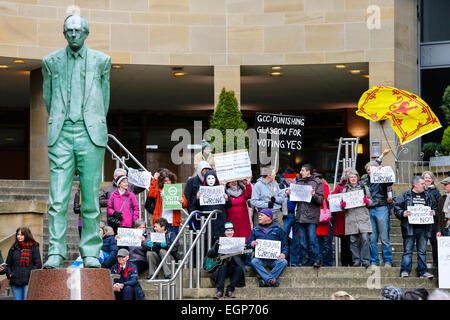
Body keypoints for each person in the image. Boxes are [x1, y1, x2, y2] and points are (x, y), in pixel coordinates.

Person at [42, 14, 111, 269]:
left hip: (89, 133)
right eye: (69, 30)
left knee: (91, 197)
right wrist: (63, 121)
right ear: (64, 33)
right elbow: (48, 98)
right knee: (57, 199)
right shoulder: (50, 62)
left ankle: (91, 252)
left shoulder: (102, 61)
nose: (73, 34)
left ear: (86, 33)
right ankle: (55, 253)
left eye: (78, 30)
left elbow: (104, 98)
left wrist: (90, 122)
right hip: (61, 133)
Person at [394, 175, 436, 279]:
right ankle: (405, 270)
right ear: (415, 185)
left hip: (424, 228)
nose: (424, 185)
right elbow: (396, 208)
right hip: (409, 227)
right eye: (422, 184)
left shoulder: (428, 196)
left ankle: (423, 271)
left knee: (422, 251)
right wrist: (402, 213)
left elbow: (435, 208)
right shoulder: (405, 195)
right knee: (408, 250)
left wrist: (434, 212)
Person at [362, 149, 394, 268]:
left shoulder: (382, 179)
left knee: (384, 238)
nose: (370, 171)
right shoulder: (365, 182)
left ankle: (387, 261)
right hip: (370, 209)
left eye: (371, 169)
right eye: (368, 170)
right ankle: (374, 261)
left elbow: (390, 182)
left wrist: (382, 170)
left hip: (381, 208)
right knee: (372, 238)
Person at [289, 164, 324, 268]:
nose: (301, 172)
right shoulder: (299, 182)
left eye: (303, 170)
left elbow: (320, 200)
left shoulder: (317, 182)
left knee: (313, 239)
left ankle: (317, 259)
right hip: (300, 216)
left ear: (308, 172)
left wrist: (314, 195)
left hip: (312, 216)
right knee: (303, 241)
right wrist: (291, 194)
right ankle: (305, 259)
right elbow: (295, 200)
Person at [247, 209, 288, 287]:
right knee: (254, 261)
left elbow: (285, 245)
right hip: (260, 260)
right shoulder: (255, 230)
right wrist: (251, 244)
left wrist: (284, 254)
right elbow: (248, 244)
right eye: (259, 215)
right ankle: (271, 280)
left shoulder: (278, 230)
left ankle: (266, 281)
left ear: (269, 217)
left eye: (261, 215)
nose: (259, 217)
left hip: (275, 260)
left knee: (283, 262)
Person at [341, 169, 373, 268]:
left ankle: (365, 260)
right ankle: (356, 260)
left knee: (365, 238)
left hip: (363, 216)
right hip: (351, 217)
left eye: (355, 177)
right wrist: (343, 205)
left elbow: (371, 202)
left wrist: (366, 201)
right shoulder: (345, 190)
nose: (353, 179)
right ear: (348, 179)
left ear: (357, 178)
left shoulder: (364, 188)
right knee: (353, 240)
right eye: (351, 177)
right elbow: (342, 207)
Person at [207, 222, 246, 299]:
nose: (230, 232)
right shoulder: (219, 241)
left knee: (239, 269)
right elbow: (209, 254)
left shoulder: (238, 242)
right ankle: (220, 291)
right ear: (224, 232)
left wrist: (243, 251)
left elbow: (243, 259)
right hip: (222, 268)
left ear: (234, 231)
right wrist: (216, 248)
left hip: (233, 267)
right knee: (223, 267)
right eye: (227, 230)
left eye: (231, 230)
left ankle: (230, 290)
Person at [194, 169, 231, 243]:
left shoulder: (221, 189)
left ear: (215, 179)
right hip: (207, 221)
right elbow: (196, 206)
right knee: (208, 241)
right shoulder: (201, 190)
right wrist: (197, 198)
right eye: (209, 178)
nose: (211, 180)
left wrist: (227, 199)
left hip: (220, 220)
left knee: (220, 241)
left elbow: (229, 205)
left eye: (212, 178)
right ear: (206, 180)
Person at [4, 227, 42, 300]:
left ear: (26, 235)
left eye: (21, 235)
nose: (19, 236)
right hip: (15, 281)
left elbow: (38, 264)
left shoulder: (33, 247)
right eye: (18, 234)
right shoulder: (13, 248)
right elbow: (8, 265)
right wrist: (10, 274)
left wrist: (30, 274)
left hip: (28, 281)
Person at [148, 169, 188, 235]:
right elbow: (151, 193)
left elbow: (185, 204)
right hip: (160, 222)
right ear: (162, 182)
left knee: (172, 242)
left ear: (172, 181)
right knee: (159, 243)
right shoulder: (159, 190)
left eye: (169, 180)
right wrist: (154, 179)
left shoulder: (177, 190)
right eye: (165, 181)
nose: (167, 182)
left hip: (173, 221)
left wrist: (182, 201)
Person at [279, 168, 299, 265]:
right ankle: (284, 260)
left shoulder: (300, 185)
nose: (290, 181)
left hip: (298, 214)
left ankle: (294, 262)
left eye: (292, 179)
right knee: (284, 238)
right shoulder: (281, 186)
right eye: (288, 179)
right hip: (285, 215)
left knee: (296, 240)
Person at [332, 167, 353, 266]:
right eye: (346, 173)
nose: (347, 175)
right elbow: (334, 199)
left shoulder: (356, 186)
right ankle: (345, 263)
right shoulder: (339, 186)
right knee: (344, 241)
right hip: (342, 216)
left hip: (353, 216)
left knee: (353, 241)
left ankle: (353, 262)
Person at [225, 177, 252, 242]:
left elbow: (248, 195)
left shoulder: (242, 191)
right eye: (231, 182)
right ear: (228, 184)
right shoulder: (226, 193)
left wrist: (248, 183)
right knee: (234, 235)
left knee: (245, 234)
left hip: (243, 219)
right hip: (232, 219)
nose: (234, 183)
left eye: (235, 181)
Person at [423, 171, 441, 267]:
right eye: (425, 177)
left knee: (434, 244)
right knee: (422, 244)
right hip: (421, 222)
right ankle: (422, 264)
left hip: (433, 221)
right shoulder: (418, 191)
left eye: (429, 178)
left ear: (432, 180)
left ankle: (436, 263)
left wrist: (435, 213)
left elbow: (440, 208)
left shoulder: (436, 192)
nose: (427, 179)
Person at [316, 176, 333, 267]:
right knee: (325, 243)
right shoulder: (323, 186)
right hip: (322, 218)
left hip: (321, 218)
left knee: (322, 243)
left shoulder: (323, 187)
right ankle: (325, 262)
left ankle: (324, 262)